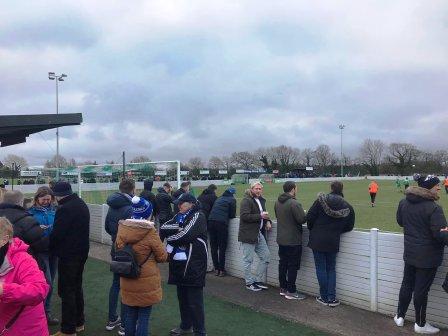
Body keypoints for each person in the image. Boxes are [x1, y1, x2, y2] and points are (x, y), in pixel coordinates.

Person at [394, 174, 448, 334]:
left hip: (410, 253)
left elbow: (400, 222)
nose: (439, 187)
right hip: (428, 257)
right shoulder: (434, 208)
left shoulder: (403, 202)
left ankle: (399, 316)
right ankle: (420, 324)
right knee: (421, 290)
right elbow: (441, 235)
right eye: (436, 185)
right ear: (428, 188)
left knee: (407, 284)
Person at [116, 196, 167, 336]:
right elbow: (162, 256)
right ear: (147, 213)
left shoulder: (122, 229)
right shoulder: (150, 232)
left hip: (127, 277)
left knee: (130, 315)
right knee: (144, 317)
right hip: (146, 280)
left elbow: (118, 249)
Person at [160, 193, 208, 336]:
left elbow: (186, 235)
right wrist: (179, 228)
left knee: (195, 301)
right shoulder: (180, 216)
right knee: (183, 298)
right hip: (179, 265)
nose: (179, 205)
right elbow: (164, 226)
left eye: (182, 203)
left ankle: (200, 332)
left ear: (191, 204)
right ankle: (185, 326)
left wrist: (170, 238)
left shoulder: (199, 216)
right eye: (178, 203)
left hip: (194, 264)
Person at [49, 181, 90, 336]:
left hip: (69, 255)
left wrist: (47, 245)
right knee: (76, 288)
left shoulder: (65, 209)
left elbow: (57, 234)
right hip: (81, 253)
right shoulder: (80, 203)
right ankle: (79, 322)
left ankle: (68, 330)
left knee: (67, 292)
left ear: (57, 195)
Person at [306, 181, 355, 307]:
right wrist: (337, 231)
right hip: (333, 240)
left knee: (321, 268)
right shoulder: (347, 206)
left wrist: (315, 229)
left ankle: (324, 297)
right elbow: (349, 226)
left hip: (317, 239)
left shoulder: (320, 201)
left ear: (331, 188)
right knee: (331, 269)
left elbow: (310, 218)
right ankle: (331, 298)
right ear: (342, 189)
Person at [0, 216, 50, 336]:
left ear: (4, 239)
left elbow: (39, 289)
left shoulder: (22, 259)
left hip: (24, 329)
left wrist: (3, 290)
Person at [104, 178, 135, 335]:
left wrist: (116, 237)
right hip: (128, 251)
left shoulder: (111, 206)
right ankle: (124, 324)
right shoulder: (131, 207)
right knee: (126, 286)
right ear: (132, 189)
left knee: (116, 284)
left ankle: (112, 319)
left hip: (115, 248)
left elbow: (107, 227)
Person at [28, 186, 59, 325]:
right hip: (40, 251)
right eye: (43, 199)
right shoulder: (30, 213)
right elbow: (28, 231)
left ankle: (46, 312)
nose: (46, 201)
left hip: (54, 250)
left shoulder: (55, 210)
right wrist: (37, 229)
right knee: (46, 283)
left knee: (51, 282)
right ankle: (40, 313)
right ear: (37, 199)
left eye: (48, 199)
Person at [274, 181, 306, 300]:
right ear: (293, 189)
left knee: (283, 263)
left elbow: (279, 217)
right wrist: (304, 214)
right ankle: (291, 291)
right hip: (293, 240)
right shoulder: (294, 203)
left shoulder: (277, 202)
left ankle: (283, 287)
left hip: (281, 239)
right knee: (292, 265)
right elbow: (301, 219)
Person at [238, 181, 272, 292]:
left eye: (260, 189)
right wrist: (260, 216)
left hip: (258, 233)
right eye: (256, 188)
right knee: (248, 260)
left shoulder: (261, 200)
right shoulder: (246, 200)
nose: (258, 190)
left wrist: (268, 220)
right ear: (251, 189)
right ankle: (249, 283)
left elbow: (264, 213)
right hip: (248, 234)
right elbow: (244, 216)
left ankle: (256, 280)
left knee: (266, 257)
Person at [0, 190, 49, 266]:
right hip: (22, 264)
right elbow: (41, 245)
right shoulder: (28, 221)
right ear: (21, 202)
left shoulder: (28, 220)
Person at [208, 186, 237, 276]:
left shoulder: (219, 198)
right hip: (221, 223)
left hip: (210, 221)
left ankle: (216, 269)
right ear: (232, 194)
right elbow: (232, 215)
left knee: (213, 247)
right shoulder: (232, 200)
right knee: (222, 247)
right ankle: (221, 270)